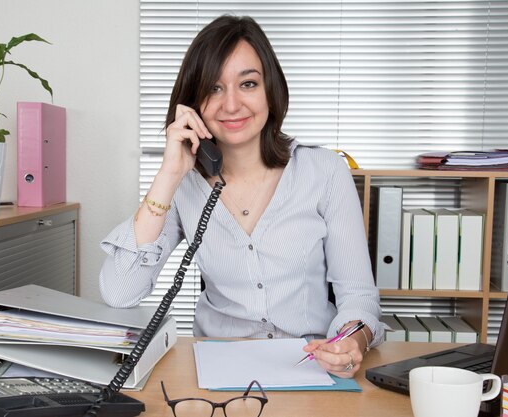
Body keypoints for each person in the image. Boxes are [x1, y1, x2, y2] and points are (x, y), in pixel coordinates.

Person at [99, 14, 384, 378]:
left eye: (247, 84)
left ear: (271, 90)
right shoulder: (185, 184)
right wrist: (168, 175)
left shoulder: (324, 171)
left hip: (311, 367)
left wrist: (350, 343)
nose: (231, 105)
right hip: (218, 370)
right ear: (193, 103)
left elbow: (358, 295)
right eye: (214, 88)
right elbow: (120, 291)